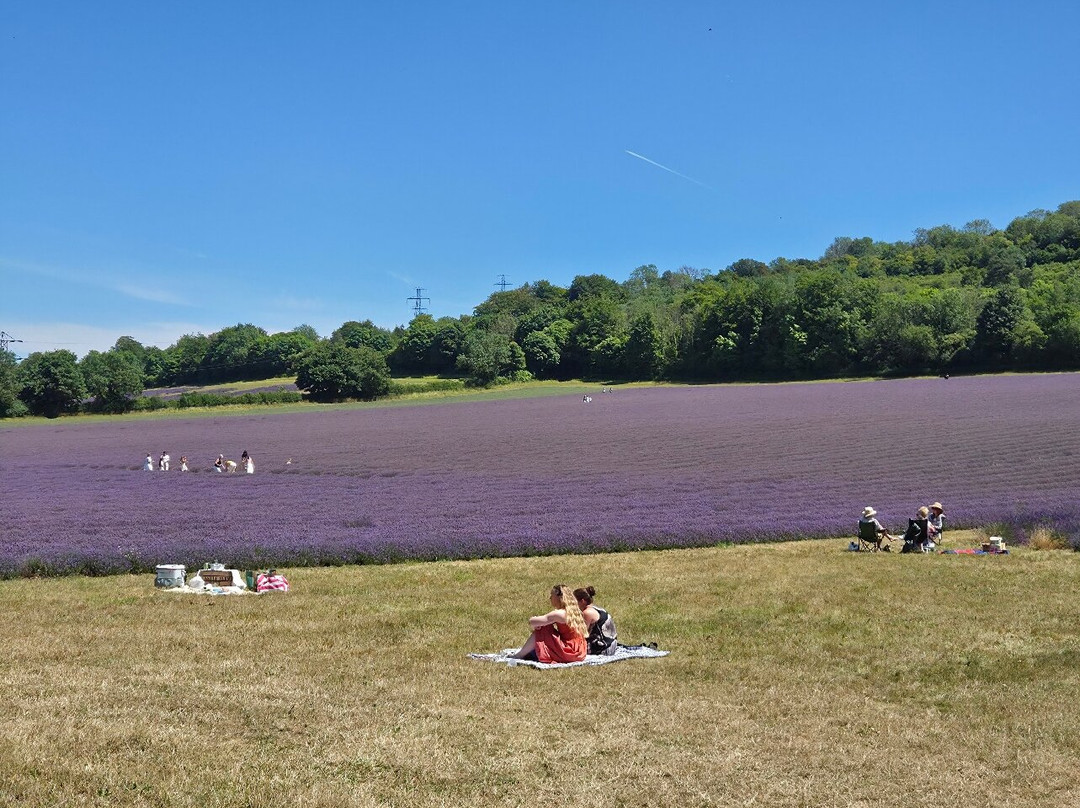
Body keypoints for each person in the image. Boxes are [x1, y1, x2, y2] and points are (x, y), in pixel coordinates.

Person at [511, 584, 588, 663]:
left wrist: (536, 620)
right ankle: (525, 653)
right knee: (544, 625)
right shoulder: (574, 612)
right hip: (580, 651)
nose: (550, 598)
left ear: (559, 597)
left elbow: (532, 622)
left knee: (542, 628)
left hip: (570, 652)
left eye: (552, 595)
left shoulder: (559, 614)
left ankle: (519, 655)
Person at [574, 585, 618, 656]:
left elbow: (582, 634)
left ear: (582, 601)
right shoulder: (597, 608)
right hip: (611, 644)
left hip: (603, 648)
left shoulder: (587, 613)